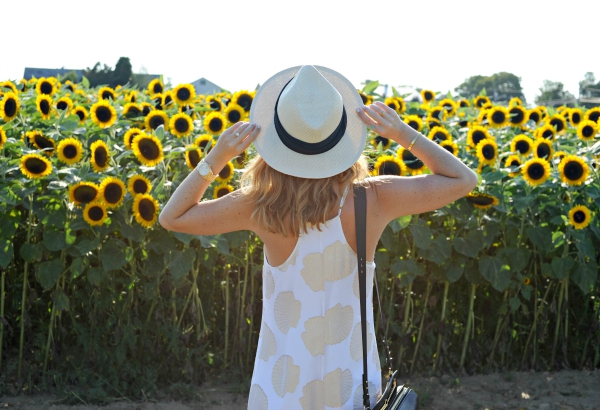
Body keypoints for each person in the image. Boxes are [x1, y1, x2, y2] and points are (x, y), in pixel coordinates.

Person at [159, 65, 478, 409]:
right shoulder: (373, 198)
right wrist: (404, 134)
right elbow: (462, 180)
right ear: (342, 137)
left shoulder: (259, 206)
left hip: (283, 381)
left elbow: (173, 217)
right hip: (351, 377)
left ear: (275, 139)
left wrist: (217, 156)